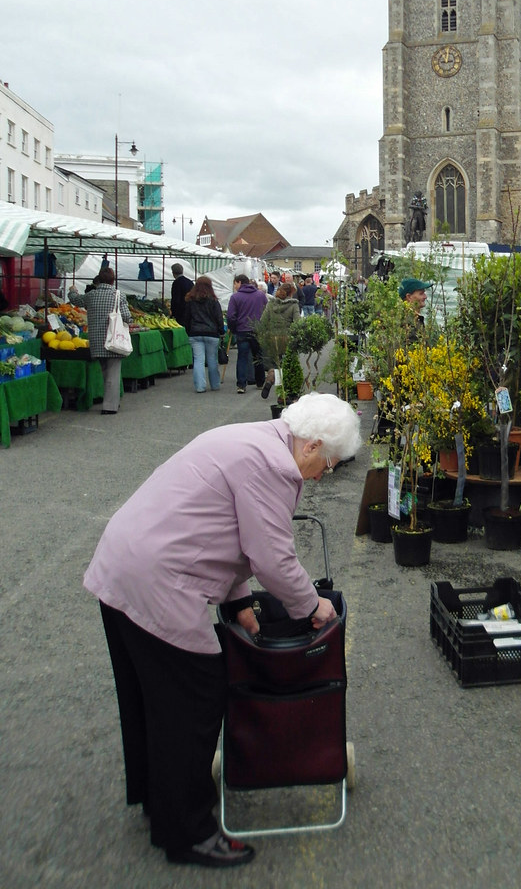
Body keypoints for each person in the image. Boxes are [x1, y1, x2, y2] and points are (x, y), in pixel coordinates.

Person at [82, 393, 362, 868]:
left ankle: (160, 800)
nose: (324, 475)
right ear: (313, 446)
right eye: (329, 463)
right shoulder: (274, 467)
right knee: (195, 698)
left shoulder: (254, 441)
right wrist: (313, 607)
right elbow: (271, 557)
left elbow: (230, 532)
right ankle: (187, 833)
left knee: (150, 698)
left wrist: (241, 605)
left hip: (124, 565)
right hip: (158, 580)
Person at [69, 268, 131, 415]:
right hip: (114, 339)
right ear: (113, 280)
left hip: (96, 341)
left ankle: (111, 400)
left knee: (105, 372)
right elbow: (127, 317)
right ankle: (110, 406)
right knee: (113, 374)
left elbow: (75, 300)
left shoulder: (91, 295)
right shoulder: (119, 295)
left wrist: (72, 290)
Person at [226, 273, 267, 394]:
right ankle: (260, 381)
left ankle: (241, 384)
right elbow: (266, 311)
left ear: (239, 282)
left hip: (242, 330)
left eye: (235, 284)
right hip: (257, 330)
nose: (234, 287)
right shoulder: (261, 295)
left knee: (242, 357)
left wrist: (233, 328)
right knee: (258, 356)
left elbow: (231, 316)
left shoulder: (235, 297)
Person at [183, 275, 225, 393]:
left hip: (195, 333)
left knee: (198, 360)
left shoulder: (191, 301)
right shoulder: (213, 301)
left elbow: (187, 318)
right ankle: (215, 384)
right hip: (211, 333)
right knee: (212, 360)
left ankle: (200, 386)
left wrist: (189, 331)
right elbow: (218, 318)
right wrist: (221, 331)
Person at [259, 281, 300, 399]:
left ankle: (270, 378)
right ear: (291, 293)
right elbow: (297, 323)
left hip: (272, 338)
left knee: (274, 364)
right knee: (286, 366)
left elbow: (263, 321)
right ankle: (281, 394)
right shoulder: (293, 305)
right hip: (287, 339)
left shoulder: (271, 304)